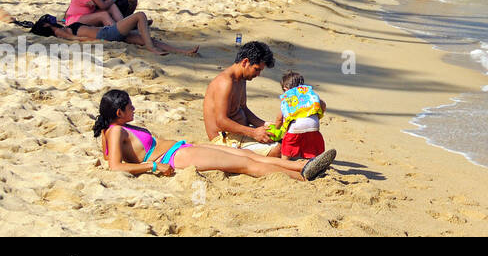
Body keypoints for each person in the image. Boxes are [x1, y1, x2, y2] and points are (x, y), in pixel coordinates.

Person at [95, 90, 334, 181]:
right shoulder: (116, 131)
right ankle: (302, 175)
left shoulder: (117, 128)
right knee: (244, 164)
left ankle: (303, 165)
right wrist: (153, 168)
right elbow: (115, 167)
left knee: (245, 156)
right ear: (118, 113)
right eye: (130, 107)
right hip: (173, 159)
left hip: (179, 150)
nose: (134, 110)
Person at [204, 41, 281, 156]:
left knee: (284, 141)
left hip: (241, 133)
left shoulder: (241, 79)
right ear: (245, 62)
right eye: (257, 69)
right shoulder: (225, 82)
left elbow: (243, 108)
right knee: (279, 149)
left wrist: (264, 124)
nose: (258, 74)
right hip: (225, 140)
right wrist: (253, 132)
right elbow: (221, 121)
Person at [31, 12, 197, 55]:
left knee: (146, 38)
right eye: (48, 19)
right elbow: (75, 38)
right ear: (46, 25)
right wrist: (95, 40)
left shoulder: (62, 26)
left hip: (107, 34)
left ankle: (183, 52)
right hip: (107, 34)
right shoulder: (60, 32)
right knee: (140, 16)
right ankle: (151, 48)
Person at [270, 72, 327, 161]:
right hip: (314, 126)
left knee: (288, 146)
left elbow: (279, 118)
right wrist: (318, 115)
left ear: (285, 89)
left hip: (296, 127)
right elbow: (322, 104)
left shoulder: (288, 97)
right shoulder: (309, 94)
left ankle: (284, 162)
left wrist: (276, 129)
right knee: (312, 145)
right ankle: (314, 160)